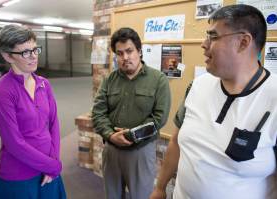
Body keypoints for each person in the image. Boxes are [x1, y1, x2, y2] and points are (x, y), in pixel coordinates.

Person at [150, 4, 277, 199]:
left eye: (213, 36)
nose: (204, 44)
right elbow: (176, 141)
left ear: (243, 42)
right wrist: (160, 187)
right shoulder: (198, 86)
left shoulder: (273, 97)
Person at [92, 27, 171, 199]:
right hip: (111, 151)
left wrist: (131, 135)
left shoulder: (158, 80)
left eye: (129, 51)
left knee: (142, 195)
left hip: (140, 152)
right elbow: (98, 113)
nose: (125, 58)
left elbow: (159, 118)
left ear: (139, 51)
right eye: (119, 53)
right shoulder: (109, 80)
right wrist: (111, 135)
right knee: (112, 195)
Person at [0, 25, 66, 199]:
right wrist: (52, 166)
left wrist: (53, 163)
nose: (33, 56)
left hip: (49, 169)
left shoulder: (44, 84)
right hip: (19, 174)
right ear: (7, 56)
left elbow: (53, 124)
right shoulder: (2, 91)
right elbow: (14, 143)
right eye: (25, 52)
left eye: (35, 49)